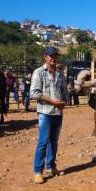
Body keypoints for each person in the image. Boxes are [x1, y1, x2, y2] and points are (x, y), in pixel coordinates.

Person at [30, 46, 69, 184]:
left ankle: (51, 166)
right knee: (43, 142)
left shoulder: (59, 73)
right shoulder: (39, 72)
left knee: (54, 141)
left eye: (55, 55)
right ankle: (37, 172)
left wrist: (65, 101)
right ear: (45, 57)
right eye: (51, 55)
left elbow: (64, 91)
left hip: (58, 112)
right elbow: (34, 93)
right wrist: (53, 101)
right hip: (45, 112)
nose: (53, 58)